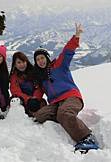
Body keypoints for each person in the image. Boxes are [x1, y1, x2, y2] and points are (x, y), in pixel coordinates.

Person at [32, 23, 99, 152]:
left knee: (64, 114)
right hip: (55, 102)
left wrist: (77, 35)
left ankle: (86, 137)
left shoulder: (59, 65)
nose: (40, 61)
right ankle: (66, 120)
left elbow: (68, 51)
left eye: (42, 58)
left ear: (47, 58)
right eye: (37, 59)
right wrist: (34, 100)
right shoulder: (41, 77)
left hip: (71, 96)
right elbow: (38, 93)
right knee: (40, 115)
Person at [9, 51, 46, 116]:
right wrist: (28, 99)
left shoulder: (34, 73)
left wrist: (36, 97)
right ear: (15, 64)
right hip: (22, 100)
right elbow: (15, 91)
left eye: (23, 62)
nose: (22, 65)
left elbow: (39, 88)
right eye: (19, 62)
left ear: (27, 62)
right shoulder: (14, 76)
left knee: (39, 106)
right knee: (15, 101)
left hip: (35, 100)